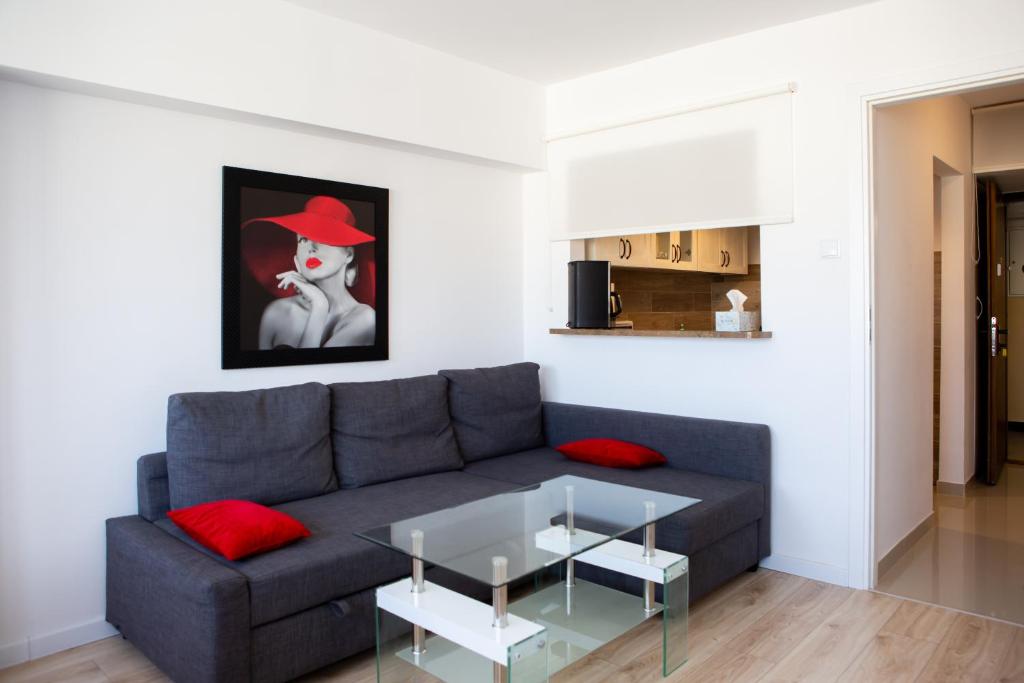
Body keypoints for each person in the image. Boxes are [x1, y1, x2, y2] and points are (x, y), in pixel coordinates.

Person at [241, 195, 376, 349]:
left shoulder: (365, 319)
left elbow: (312, 371)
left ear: (349, 254)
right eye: (303, 240)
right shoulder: (276, 312)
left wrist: (319, 307)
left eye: (324, 236)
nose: (311, 248)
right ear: (296, 258)